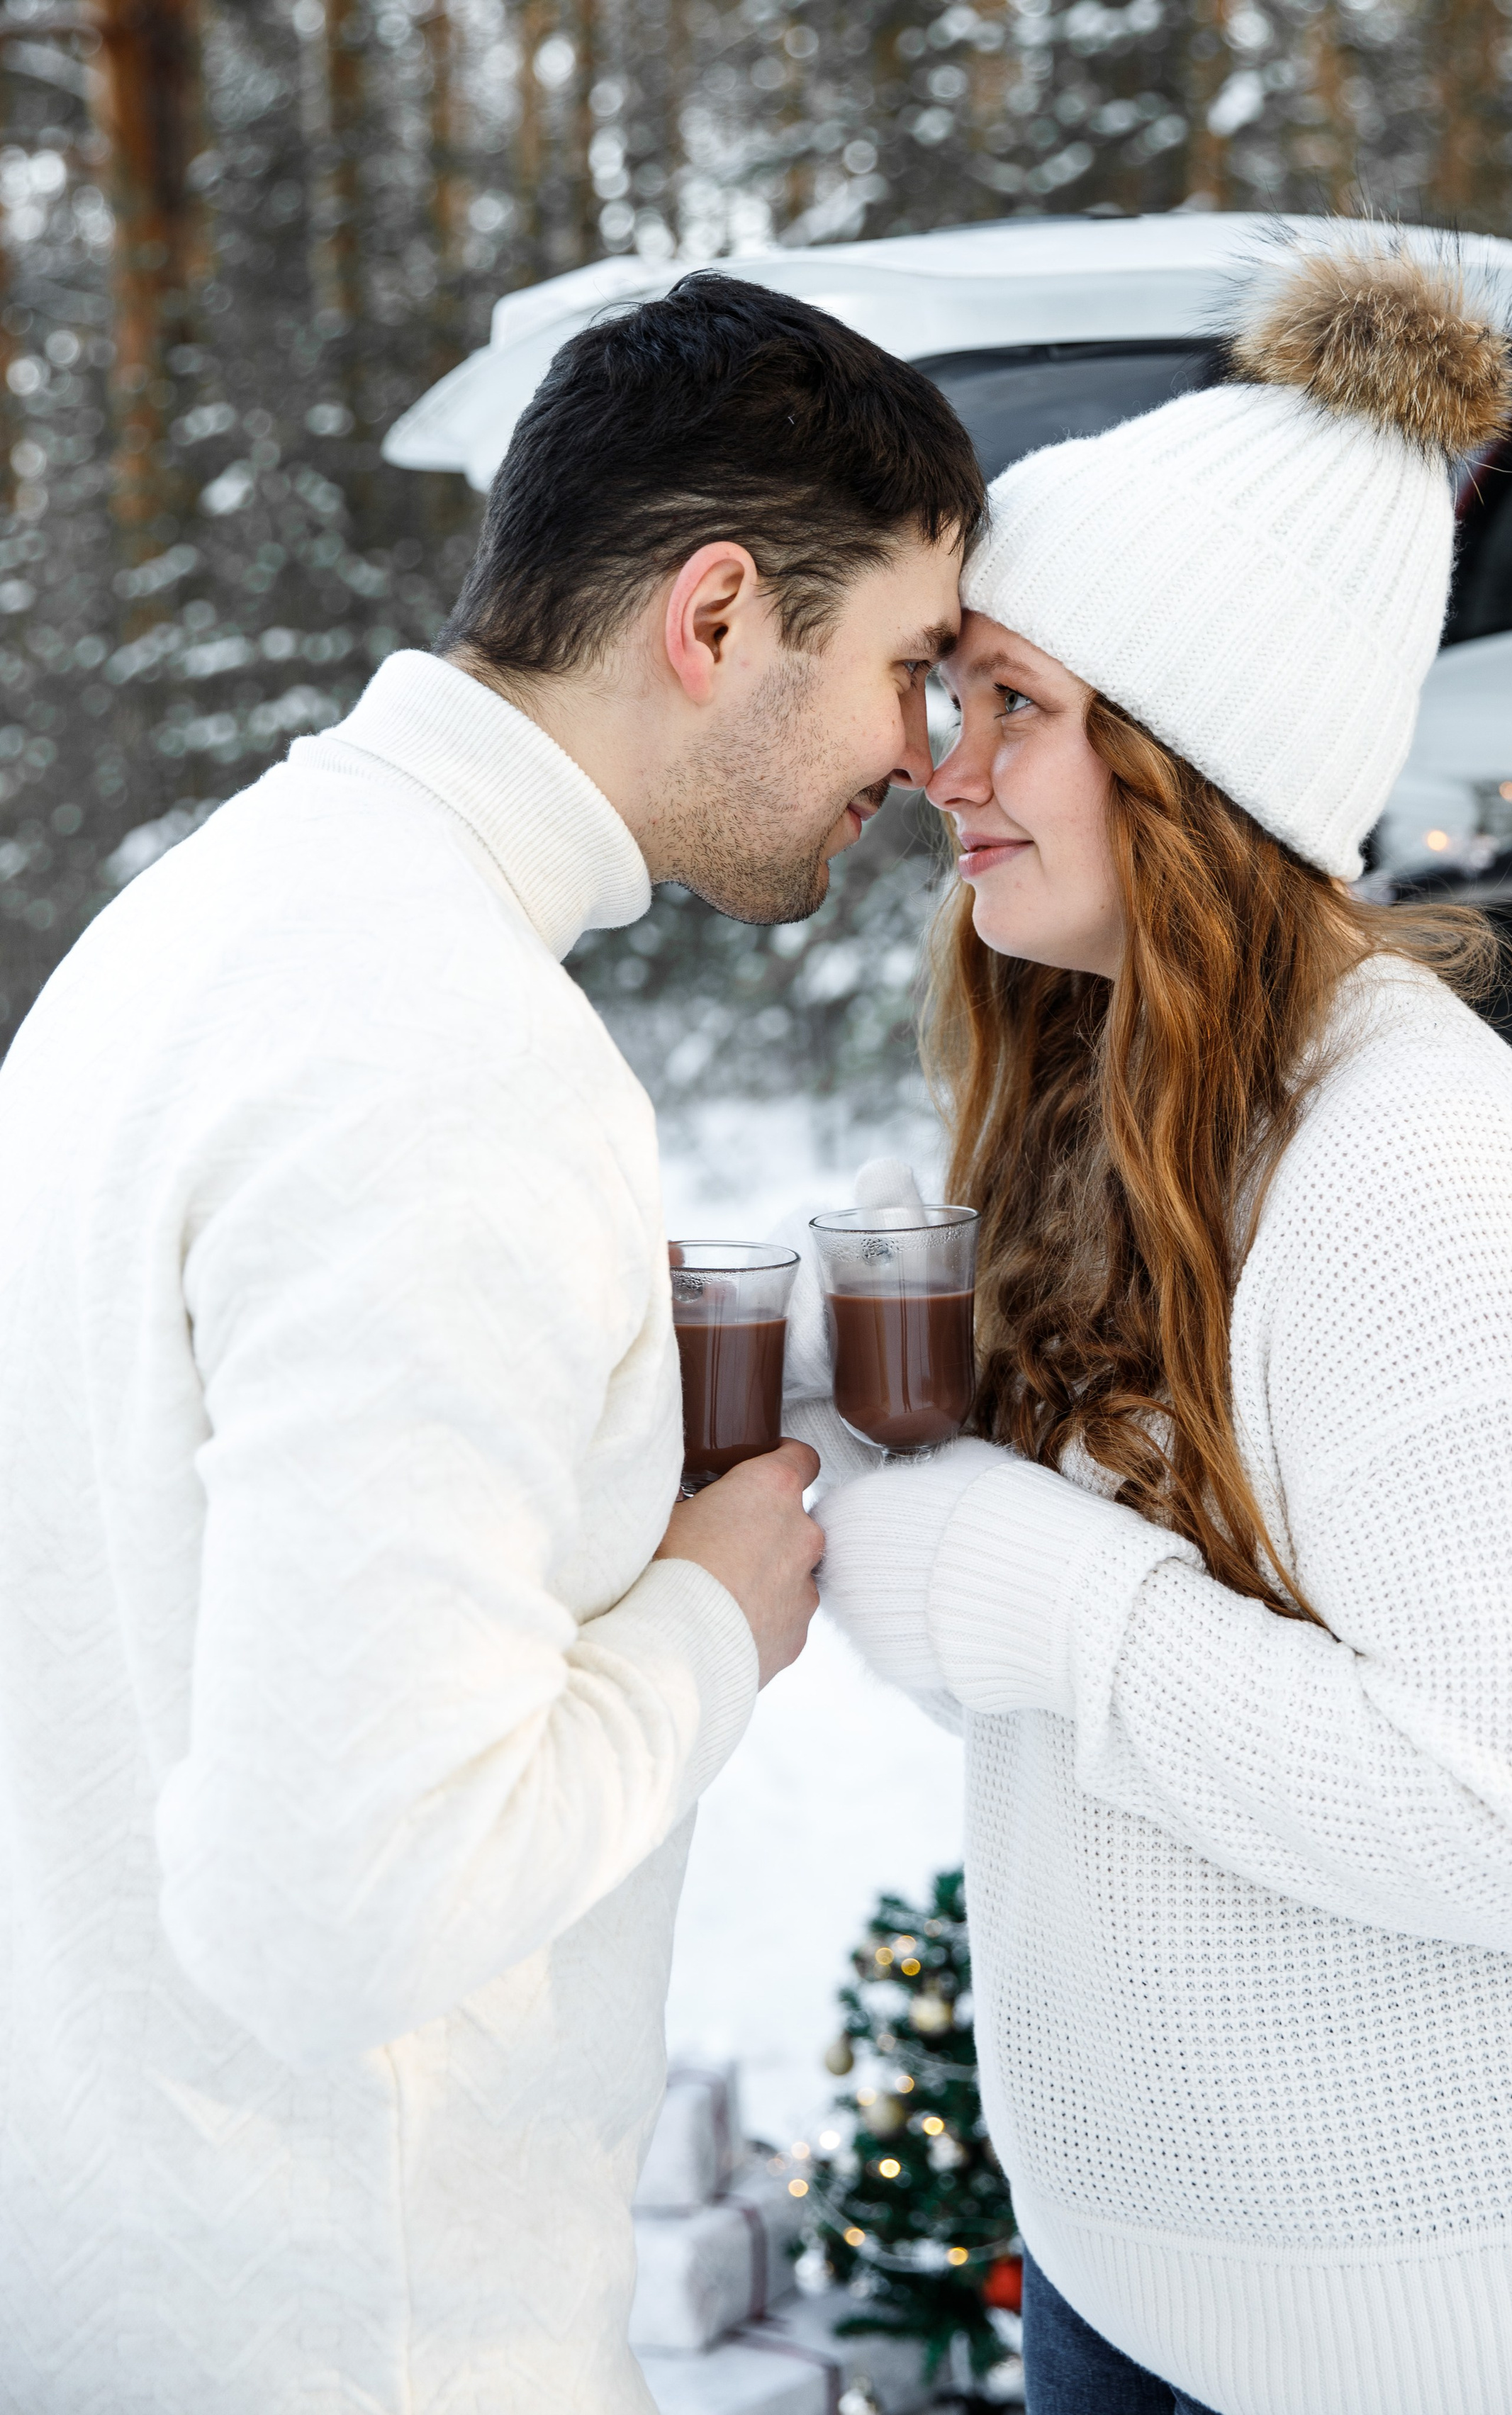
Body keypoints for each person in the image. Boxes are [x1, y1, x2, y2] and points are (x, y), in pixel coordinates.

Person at [0, 271, 982, 2412]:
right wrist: (718, 1619)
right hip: (355, 2329)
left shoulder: (204, 923)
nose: (923, 763)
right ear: (718, 617)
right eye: (908, 667)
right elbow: (333, 1911)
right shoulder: (441, 1050)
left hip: (120, 2267)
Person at [800, 235, 1512, 2415]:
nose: (949, 761)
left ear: (1193, 749)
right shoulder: (1113, 1100)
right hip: (1137, 2279)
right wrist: (898, 1471)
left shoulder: (1411, 1162)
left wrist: (1041, 1588)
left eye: (1015, 703)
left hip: (1438, 2339)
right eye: (956, 699)